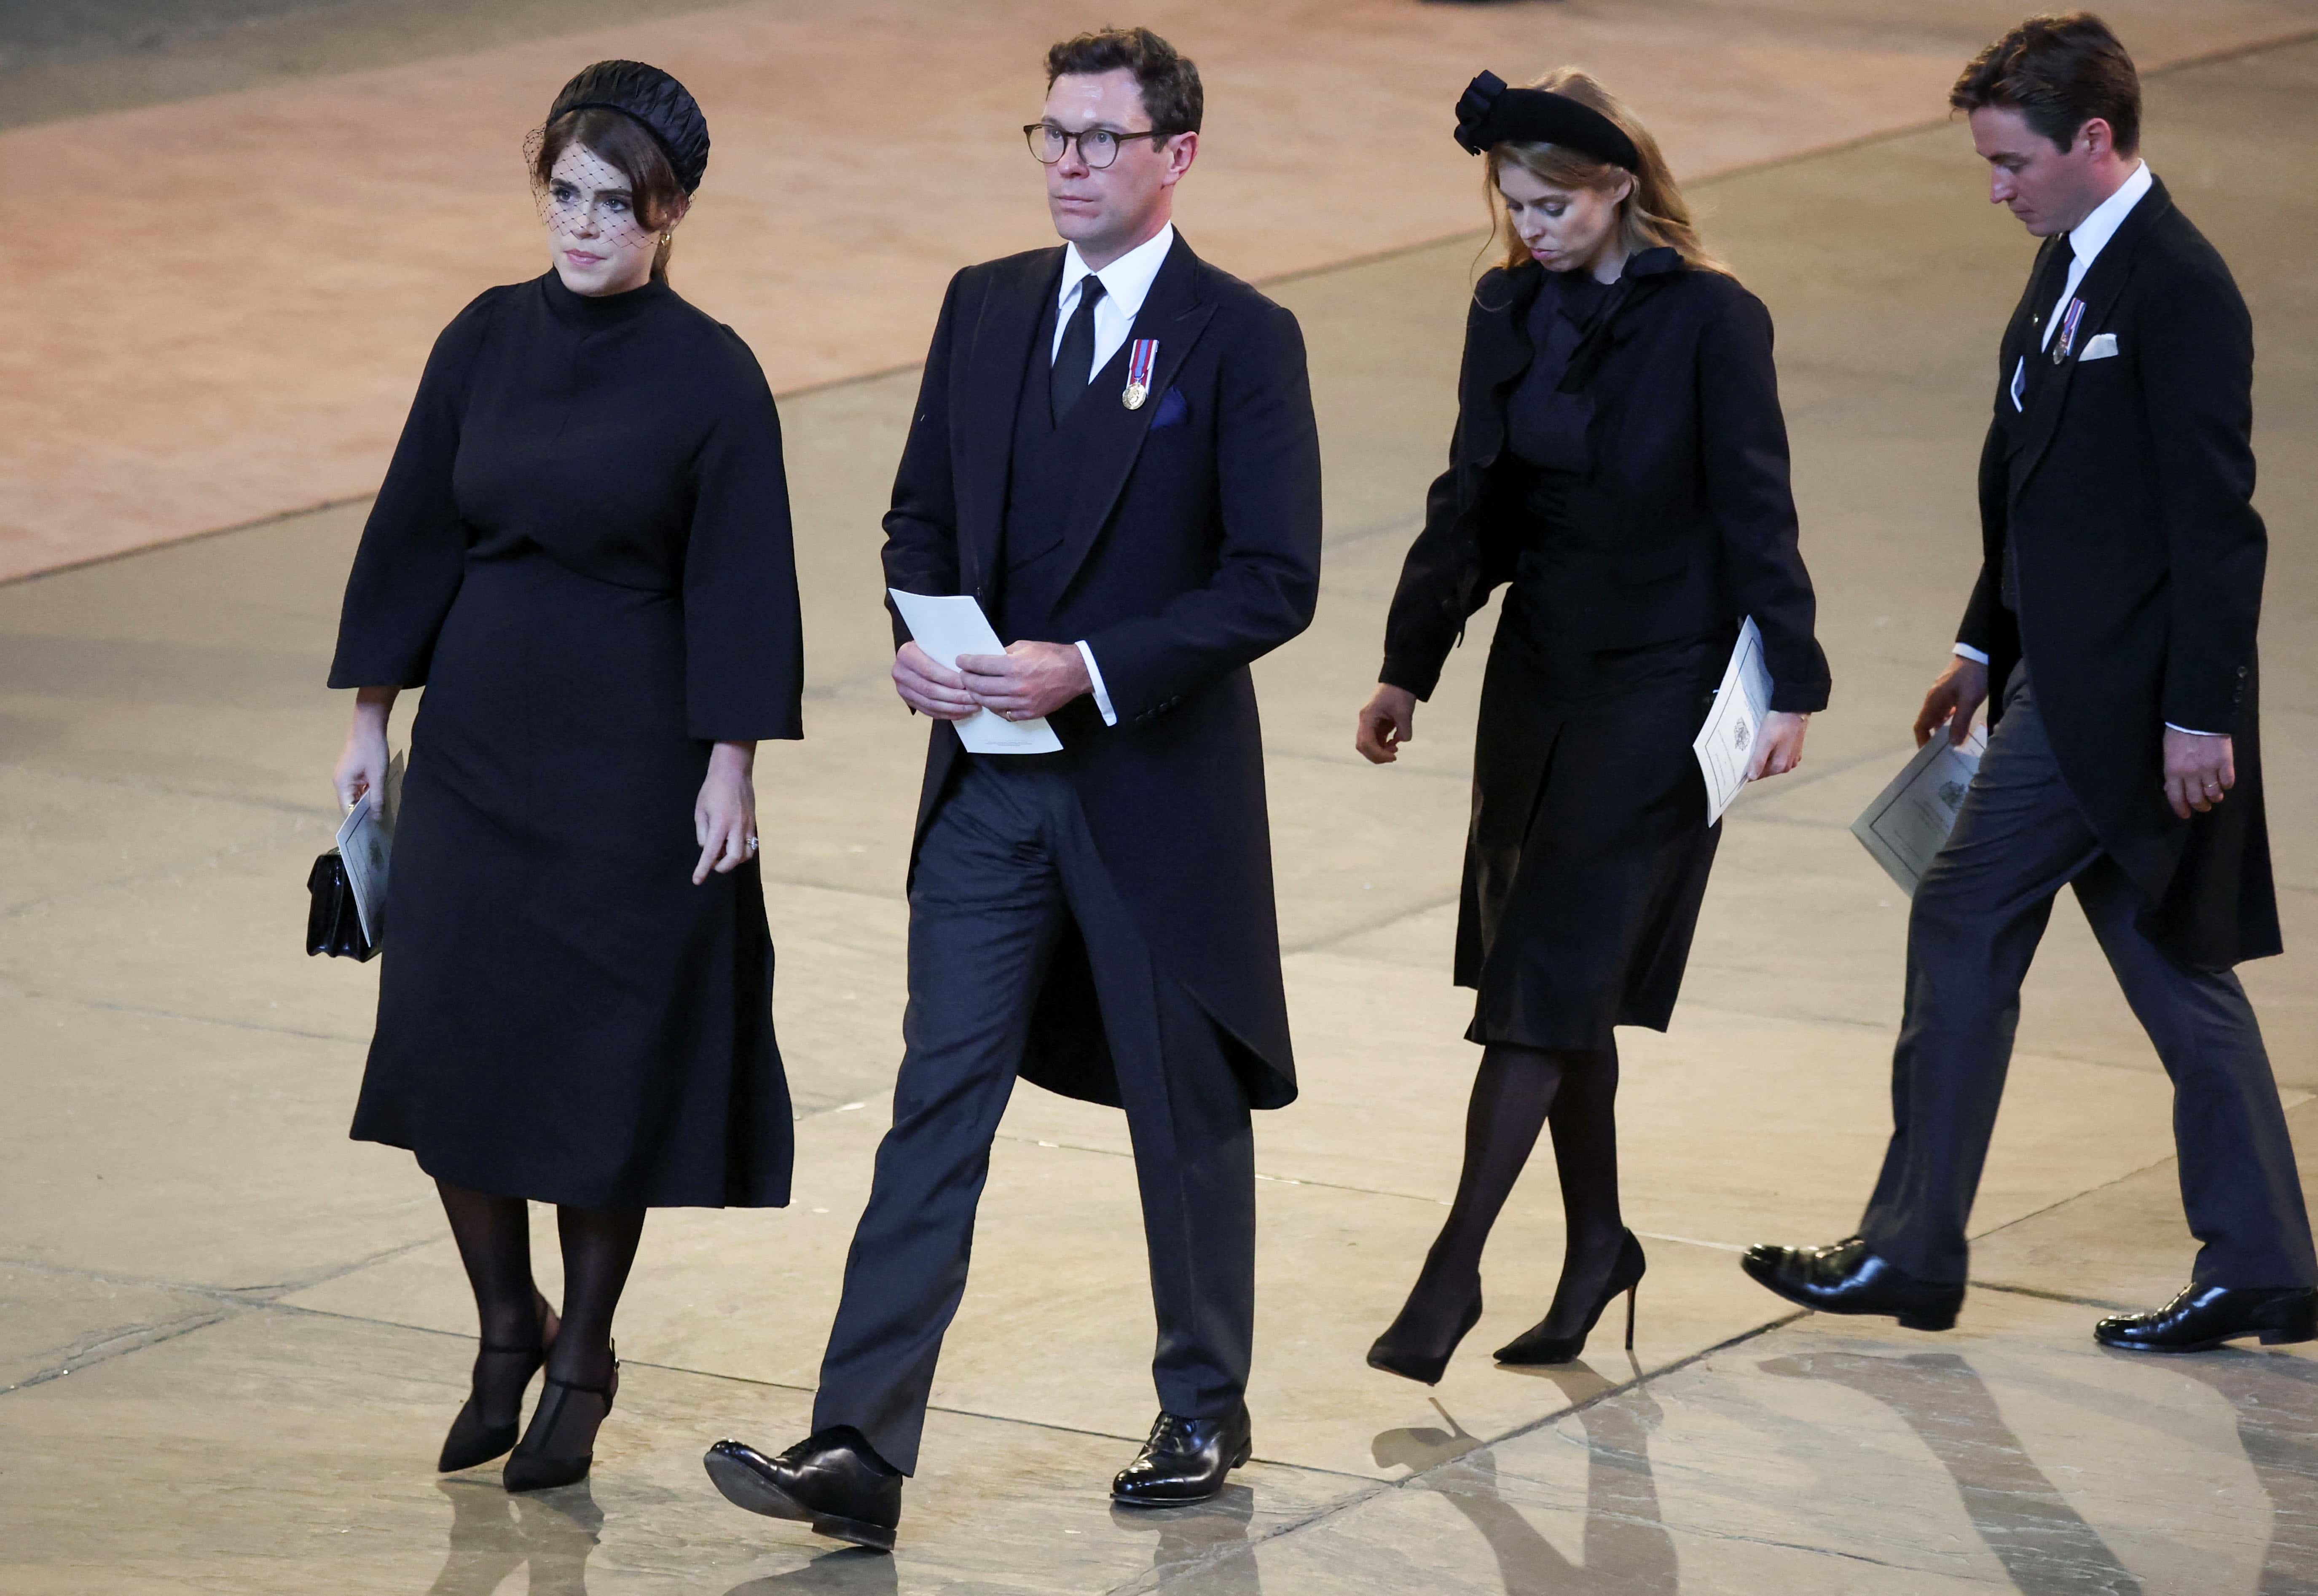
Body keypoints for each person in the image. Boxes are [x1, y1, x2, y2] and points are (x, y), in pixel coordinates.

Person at [701, 25, 1321, 1550]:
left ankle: (1203, 1400)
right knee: (936, 1101)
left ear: (1175, 155)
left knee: (1181, 1113)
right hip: (987, 781)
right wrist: (921, 642)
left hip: (1151, 793)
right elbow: (917, 518)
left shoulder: (1241, 337)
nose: (1068, 163)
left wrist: (1088, 666)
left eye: (1100, 140)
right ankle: (858, 1440)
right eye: (1050, 136)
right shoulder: (981, 309)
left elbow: (1273, 579)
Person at [1743, 13, 2317, 1353]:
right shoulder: (2066, 263)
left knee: (1958, 914)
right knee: (2167, 955)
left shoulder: (2173, 284)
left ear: (2094, 139)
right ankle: (2266, 1260)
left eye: (2010, 163)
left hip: (2120, 700)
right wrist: (1977, 645)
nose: (1993, 189)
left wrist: (2197, 714)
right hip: (2051, 668)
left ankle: (1908, 1246)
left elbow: (2215, 524)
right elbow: (2035, 490)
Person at [327, 59, 805, 1491]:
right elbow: (413, 524)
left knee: (605, 1069)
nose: (583, 226)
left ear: (669, 216)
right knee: (444, 1034)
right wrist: (369, 719)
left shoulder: (713, 374)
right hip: (475, 740)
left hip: (634, 761)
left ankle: (583, 1354)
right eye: (564, 195)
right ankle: (503, 1325)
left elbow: (743, 584)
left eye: (616, 204)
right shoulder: (481, 338)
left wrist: (730, 765)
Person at [1357, 69, 1829, 1386]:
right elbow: (1473, 500)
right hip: (1539, 678)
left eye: (1553, 202)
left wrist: (1791, 681)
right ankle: (1598, 1243)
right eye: (1511, 203)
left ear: (1621, 185)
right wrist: (1409, 661)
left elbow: (1755, 507)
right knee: (1556, 978)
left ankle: (1450, 1268)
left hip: (1664, 685)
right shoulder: (1506, 305)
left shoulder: (1713, 321)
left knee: (1540, 984)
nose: (1532, 225)